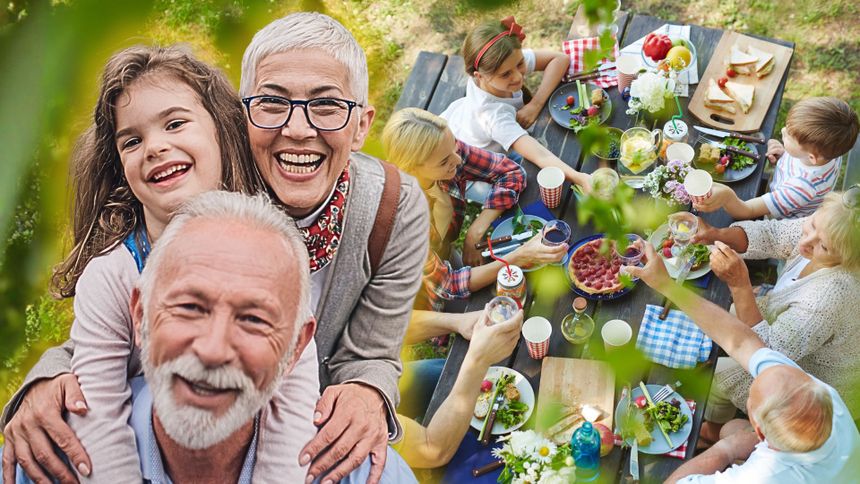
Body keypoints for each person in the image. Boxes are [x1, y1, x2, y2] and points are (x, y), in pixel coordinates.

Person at [2, 13, 429, 484]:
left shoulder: (391, 207)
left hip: (301, 437)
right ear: (242, 121)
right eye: (273, 103)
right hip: (173, 436)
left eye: (327, 105)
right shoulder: (205, 196)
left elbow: (371, 352)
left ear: (361, 124)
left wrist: (368, 390)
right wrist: (45, 380)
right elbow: (101, 341)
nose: (297, 130)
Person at [0, 46, 319, 484]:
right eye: (132, 141)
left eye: (175, 124)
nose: (155, 147)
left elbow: (294, 412)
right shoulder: (112, 275)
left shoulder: (271, 260)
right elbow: (96, 412)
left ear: (221, 130)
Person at [3, 191, 417, 484]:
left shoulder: (363, 472)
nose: (213, 350)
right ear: (140, 316)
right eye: (189, 307)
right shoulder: (42, 461)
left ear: (295, 348)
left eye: (253, 319)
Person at [622, 239, 860, 484]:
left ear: (759, 431)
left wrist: (727, 450)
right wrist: (666, 285)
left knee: (731, 436)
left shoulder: (762, 476)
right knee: (731, 428)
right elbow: (741, 342)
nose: (765, 368)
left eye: (751, 396)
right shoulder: (826, 399)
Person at [690, 189, 860, 444]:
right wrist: (716, 234)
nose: (806, 241)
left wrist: (739, 285)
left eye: (823, 246)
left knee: (715, 378)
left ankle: (711, 432)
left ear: (850, 258)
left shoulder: (830, 296)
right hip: (782, 329)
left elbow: (767, 353)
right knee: (719, 314)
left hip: (811, 385)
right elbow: (772, 234)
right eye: (812, 224)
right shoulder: (829, 227)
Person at [382, 108, 567, 311]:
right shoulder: (403, 220)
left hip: (443, 249)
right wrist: (519, 256)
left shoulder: (445, 150)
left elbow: (511, 172)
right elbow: (448, 284)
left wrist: (476, 230)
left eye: (454, 146)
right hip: (411, 292)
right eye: (444, 162)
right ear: (411, 168)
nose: (458, 160)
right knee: (466, 310)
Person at [440, 16, 590, 190]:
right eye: (506, 74)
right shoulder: (493, 116)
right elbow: (541, 156)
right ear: (480, 76)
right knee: (527, 181)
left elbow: (560, 59)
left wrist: (535, 104)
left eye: (520, 64)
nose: (518, 77)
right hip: (468, 168)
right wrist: (580, 178)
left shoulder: (500, 63)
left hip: (460, 121)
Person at [395, 307, 523, 468]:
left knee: (446, 373)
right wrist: (478, 361)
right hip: (378, 430)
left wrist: (458, 321)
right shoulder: (364, 418)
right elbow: (432, 450)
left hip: (382, 377)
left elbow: (385, 326)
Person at [693, 97, 859, 220]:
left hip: (779, 218)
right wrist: (784, 154)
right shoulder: (829, 152)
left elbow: (747, 211)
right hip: (783, 191)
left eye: (789, 136)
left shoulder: (801, 188)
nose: (783, 131)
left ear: (811, 157)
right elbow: (803, 157)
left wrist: (728, 196)